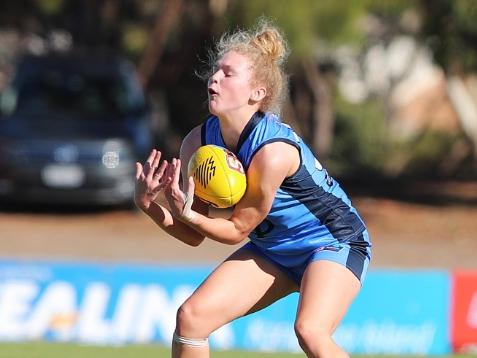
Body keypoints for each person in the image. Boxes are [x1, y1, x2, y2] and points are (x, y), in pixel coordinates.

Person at [134, 19, 372, 358]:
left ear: (257, 93)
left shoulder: (272, 152)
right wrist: (149, 205)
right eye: (215, 71)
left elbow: (236, 230)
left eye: (228, 74)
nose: (214, 78)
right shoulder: (198, 144)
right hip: (275, 249)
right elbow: (194, 234)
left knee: (310, 330)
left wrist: (186, 212)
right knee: (191, 318)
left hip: (335, 242)